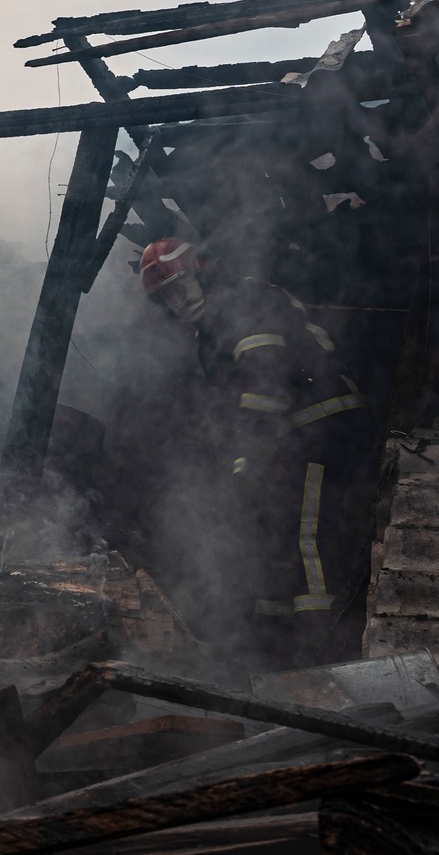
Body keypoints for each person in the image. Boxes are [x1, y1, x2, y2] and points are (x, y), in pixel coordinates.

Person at [140, 236, 381, 668]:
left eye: (179, 288)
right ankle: (273, 648)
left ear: (203, 271)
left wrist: (245, 458)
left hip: (320, 427)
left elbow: (264, 381)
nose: (176, 303)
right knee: (275, 534)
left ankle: (323, 654)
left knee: (305, 537)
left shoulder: (240, 301)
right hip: (294, 433)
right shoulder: (214, 322)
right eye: (166, 297)